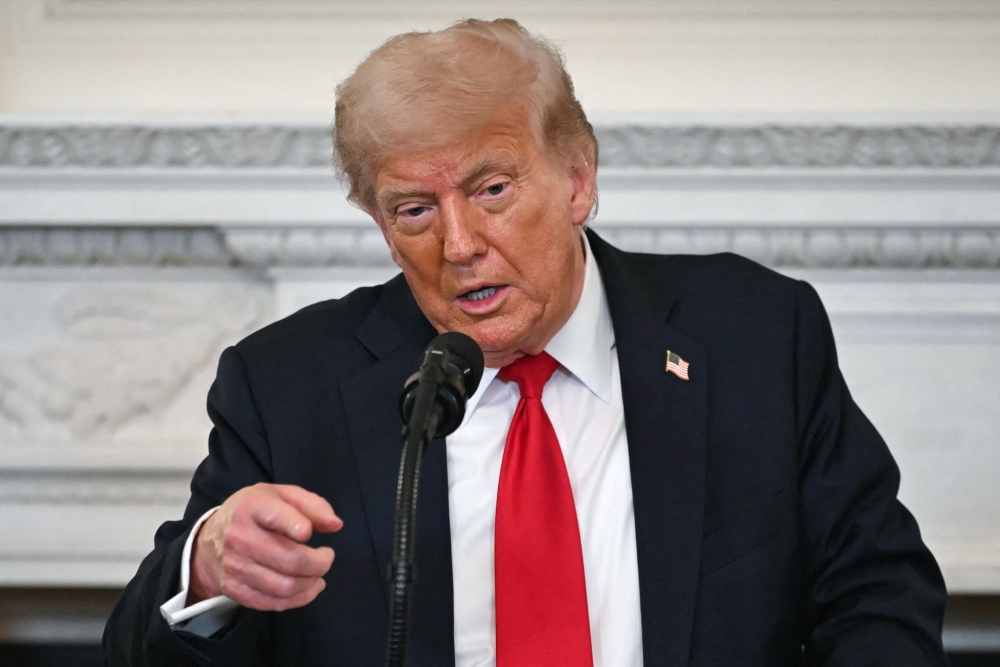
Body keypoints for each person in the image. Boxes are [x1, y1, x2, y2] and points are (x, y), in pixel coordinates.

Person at [103, 18, 949, 667]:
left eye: (493, 188)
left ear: (578, 178)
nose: (460, 243)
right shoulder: (289, 384)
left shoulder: (755, 335)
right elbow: (132, 646)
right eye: (415, 210)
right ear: (382, 227)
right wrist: (207, 570)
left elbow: (880, 593)